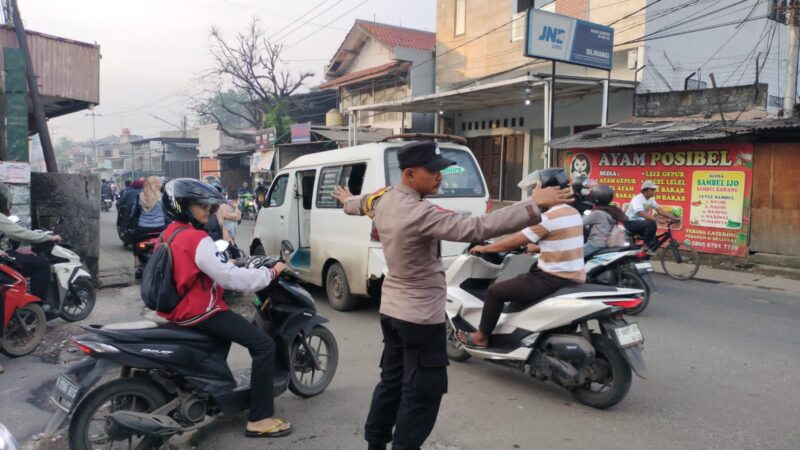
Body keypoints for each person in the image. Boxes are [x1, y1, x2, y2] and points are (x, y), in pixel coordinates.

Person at [331, 141, 571, 450]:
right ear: (409, 173)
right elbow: (476, 227)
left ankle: (375, 442)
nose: (440, 177)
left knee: (392, 381)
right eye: (432, 171)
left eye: (441, 170)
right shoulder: (418, 212)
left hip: (392, 312)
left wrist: (347, 199)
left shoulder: (383, 199)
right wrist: (534, 204)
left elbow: (359, 204)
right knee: (422, 392)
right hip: (419, 317)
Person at [159, 178, 292, 438]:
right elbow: (230, 278)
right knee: (264, 345)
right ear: (183, 207)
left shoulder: (170, 233)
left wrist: (229, 262)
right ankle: (260, 419)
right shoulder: (197, 239)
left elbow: (202, 266)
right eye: (200, 205)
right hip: (200, 312)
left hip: (176, 310)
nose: (207, 210)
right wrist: (270, 273)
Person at [458, 168, 585, 349]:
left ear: (547, 189)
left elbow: (513, 241)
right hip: (574, 275)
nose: (534, 191)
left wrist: (484, 248)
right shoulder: (572, 212)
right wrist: (536, 247)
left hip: (551, 278)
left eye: (536, 187)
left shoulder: (548, 217)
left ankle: (481, 337)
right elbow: (561, 240)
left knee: (495, 292)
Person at [0, 182, 61, 303]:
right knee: (42, 263)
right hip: (3, 259)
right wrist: (48, 238)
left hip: (5, 255)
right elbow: (21, 233)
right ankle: (38, 303)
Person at [625, 181, 674, 250]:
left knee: (654, 242)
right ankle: (645, 247)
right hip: (631, 223)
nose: (654, 191)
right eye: (653, 190)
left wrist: (673, 218)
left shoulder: (651, 199)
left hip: (641, 223)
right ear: (646, 190)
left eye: (654, 190)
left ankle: (644, 257)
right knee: (651, 224)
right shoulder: (637, 199)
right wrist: (658, 220)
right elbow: (641, 213)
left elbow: (660, 210)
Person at [582, 184, 628, 257]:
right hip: (606, 244)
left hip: (595, 244)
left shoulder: (597, 213)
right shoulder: (611, 211)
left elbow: (580, 223)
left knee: (574, 256)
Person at [128, 176, 168, 245]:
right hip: (160, 227)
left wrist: (130, 222)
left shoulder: (140, 196)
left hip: (143, 228)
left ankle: (136, 255)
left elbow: (133, 213)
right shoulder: (163, 197)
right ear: (159, 185)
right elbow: (167, 212)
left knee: (136, 244)